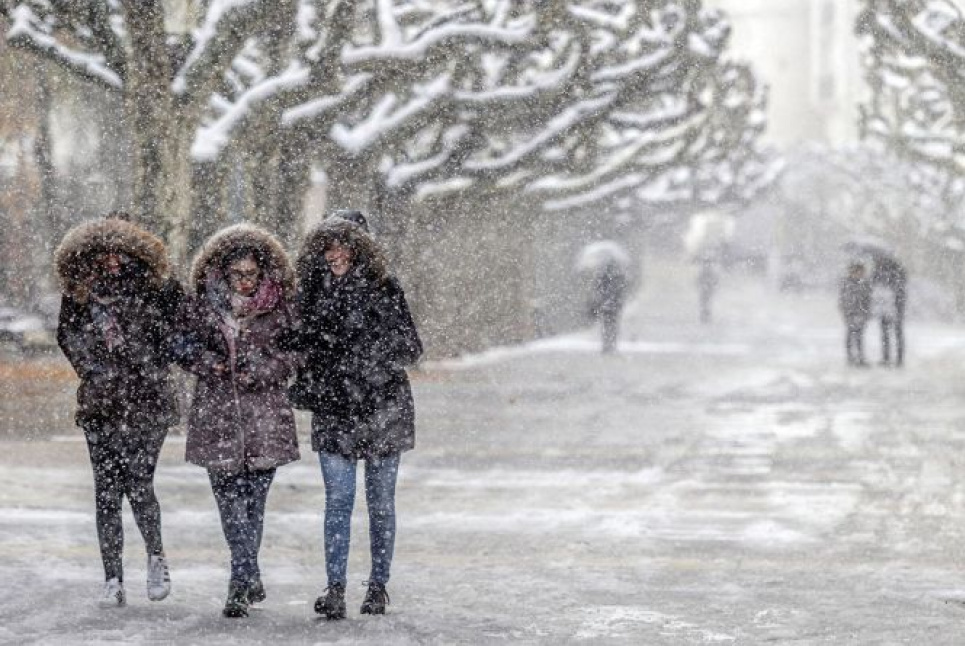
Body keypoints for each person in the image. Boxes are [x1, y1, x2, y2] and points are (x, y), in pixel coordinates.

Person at [287, 216, 422, 620]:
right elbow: (297, 345)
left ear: (362, 248)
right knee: (338, 501)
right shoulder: (309, 292)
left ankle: (378, 586)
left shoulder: (385, 288)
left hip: (383, 408)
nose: (336, 254)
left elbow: (411, 347)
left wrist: (368, 359)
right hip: (334, 410)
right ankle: (335, 588)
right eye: (328, 247)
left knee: (380, 503)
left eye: (344, 245)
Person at [55, 215, 182, 607]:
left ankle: (156, 556)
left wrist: (149, 362)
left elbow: (177, 332)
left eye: (120, 251)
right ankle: (113, 578)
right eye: (104, 252)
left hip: (149, 402)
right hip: (101, 405)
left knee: (139, 482)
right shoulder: (80, 291)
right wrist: (94, 369)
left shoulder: (157, 288)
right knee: (106, 492)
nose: (112, 259)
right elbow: (67, 335)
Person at [176, 224, 300, 618]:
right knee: (230, 506)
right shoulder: (201, 306)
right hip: (217, 419)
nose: (244, 282)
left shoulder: (281, 306)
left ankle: (243, 576)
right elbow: (180, 345)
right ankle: (243, 576)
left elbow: (299, 352)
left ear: (263, 273)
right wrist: (207, 363)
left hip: (265, 419)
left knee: (253, 505)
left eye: (251, 274)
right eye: (237, 274)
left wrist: (266, 369)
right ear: (222, 273)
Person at [871, 254, 907, 367]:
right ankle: (889, 358)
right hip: (886, 307)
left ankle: (896, 358)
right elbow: (873, 285)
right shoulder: (878, 271)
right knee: (887, 334)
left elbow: (901, 286)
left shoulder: (895, 270)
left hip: (895, 306)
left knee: (894, 333)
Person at [589, 259, 628, 353]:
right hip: (615, 305)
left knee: (606, 325)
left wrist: (599, 301)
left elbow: (597, 290)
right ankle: (612, 344)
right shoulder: (619, 277)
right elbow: (622, 291)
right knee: (613, 325)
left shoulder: (602, 277)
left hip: (605, 305)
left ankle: (606, 345)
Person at [838, 260, 872, 367]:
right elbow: (843, 299)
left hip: (861, 314)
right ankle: (851, 358)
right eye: (859, 272)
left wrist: (866, 313)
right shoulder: (847, 283)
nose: (861, 274)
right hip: (851, 314)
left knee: (859, 337)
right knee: (850, 336)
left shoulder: (865, 284)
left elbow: (868, 300)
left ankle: (860, 357)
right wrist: (846, 312)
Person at [871, 282, 898, 366]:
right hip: (885, 313)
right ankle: (886, 357)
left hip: (890, 312)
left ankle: (892, 357)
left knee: (890, 336)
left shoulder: (891, 290)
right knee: (885, 336)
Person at [697, 258, 719, 324]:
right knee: (705, 304)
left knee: (707, 304)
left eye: (708, 264)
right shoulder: (703, 272)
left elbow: (716, 281)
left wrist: (711, 286)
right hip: (704, 291)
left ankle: (706, 317)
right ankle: (704, 317)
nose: (707, 266)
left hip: (708, 291)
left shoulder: (710, 272)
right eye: (706, 264)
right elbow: (698, 281)